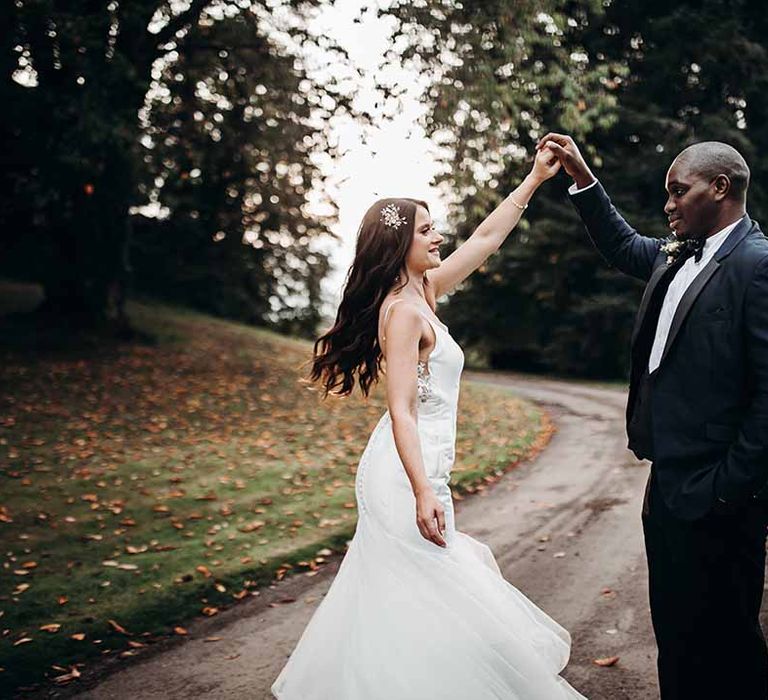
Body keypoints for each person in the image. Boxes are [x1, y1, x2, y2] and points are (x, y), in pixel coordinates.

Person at [270, 147, 587, 699]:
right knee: (431, 598)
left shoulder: (427, 292)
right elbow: (401, 409)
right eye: (426, 230)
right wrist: (421, 491)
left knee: (413, 602)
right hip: (401, 475)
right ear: (400, 244)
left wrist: (534, 180)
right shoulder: (401, 312)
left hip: (423, 468)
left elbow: (486, 239)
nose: (438, 236)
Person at [539, 133, 768, 699]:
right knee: (677, 636)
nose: (668, 205)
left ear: (720, 188)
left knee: (729, 644)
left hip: (721, 494)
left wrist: (726, 487)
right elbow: (619, 245)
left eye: (678, 192)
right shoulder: (674, 256)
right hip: (665, 485)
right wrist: (581, 175)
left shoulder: (756, 266)